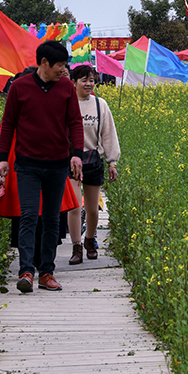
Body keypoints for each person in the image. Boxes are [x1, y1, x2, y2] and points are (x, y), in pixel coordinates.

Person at [0, 41, 83, 294]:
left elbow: (75, 122)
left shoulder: (65, 87)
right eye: (60, 65)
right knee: (29, 216)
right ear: (44, 63)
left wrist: (76, 155)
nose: (64, 70)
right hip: (28, 164)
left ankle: (47, 273)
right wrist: (2, 160)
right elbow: (8, 124)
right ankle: (26, 272)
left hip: (57, 164)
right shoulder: (20, 87)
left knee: (52, 220)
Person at [66, 65, 120, 265]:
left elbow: (108, 133)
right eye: (84, 80)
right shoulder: (67, 104)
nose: (88, 84)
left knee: (92, 209)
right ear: (74, 82)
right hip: (71, 162)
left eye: (92, 80)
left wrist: (112, 162)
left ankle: (90, 239)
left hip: (93, 161)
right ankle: (76, 246)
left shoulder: (100, 105)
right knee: (73, 207)